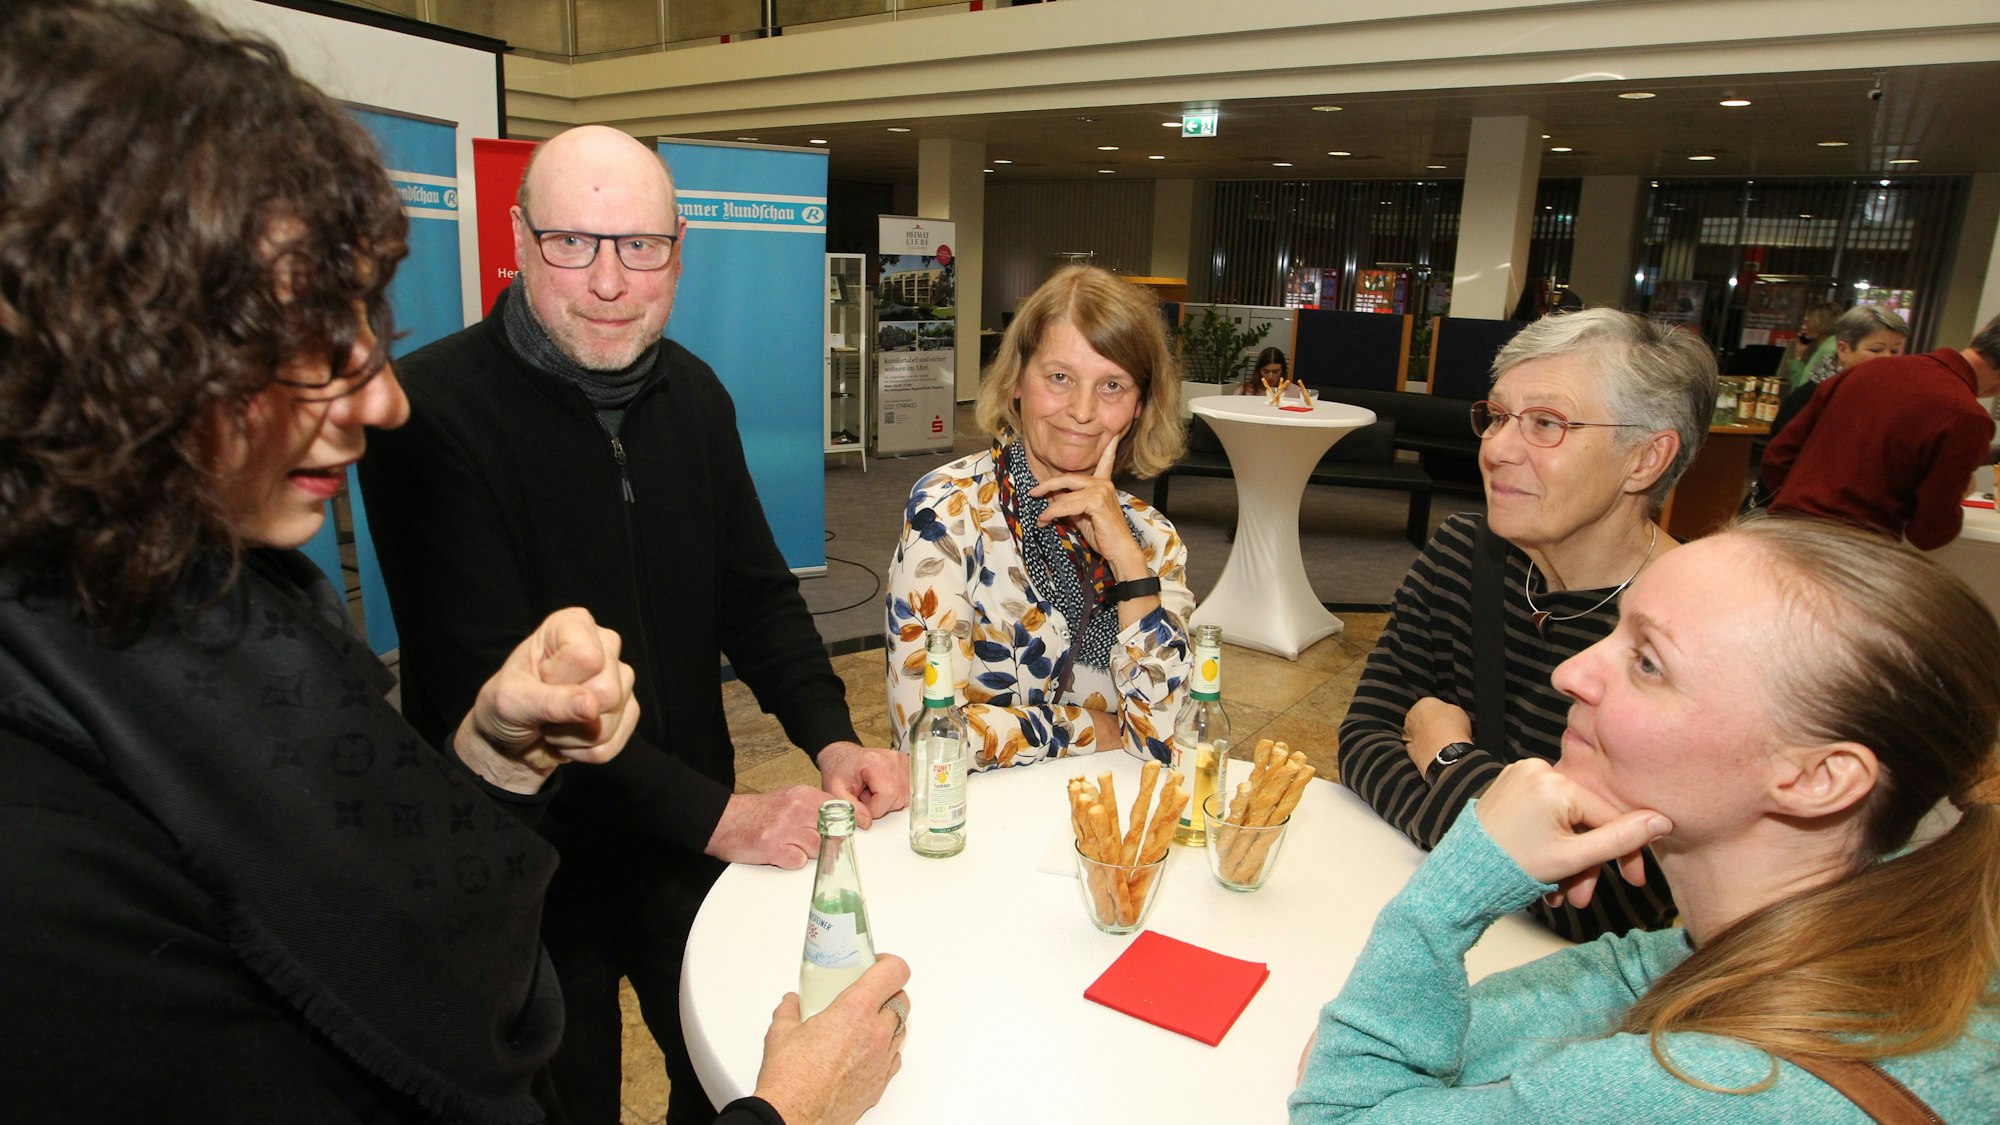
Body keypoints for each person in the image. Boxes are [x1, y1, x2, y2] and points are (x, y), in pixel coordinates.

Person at [0, 2, 639, 1119]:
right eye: (294, 340)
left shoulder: (235, 599)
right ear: (105, 345)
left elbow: (387, 915)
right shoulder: (42, 847)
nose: (382, 398)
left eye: (364, 323)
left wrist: (493, 756)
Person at [358, 126, 908, 1124]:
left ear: (679, 249)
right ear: (521, 241)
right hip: (528, 867)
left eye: (640, 246)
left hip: (681, 843)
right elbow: (501, 691)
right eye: (574, 243)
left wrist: (829, 735)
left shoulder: (693, 394)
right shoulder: (430, 414)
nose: (610, 281)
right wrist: (728, 817)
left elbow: (754, 594)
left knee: (725, 1072)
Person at [1292, 516, 2000, 1121]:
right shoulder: (1894, 911)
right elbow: (1646, 970)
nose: (1570, 672)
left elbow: (1343, 1104)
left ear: (1819, 777)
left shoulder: (1708, 1088)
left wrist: (1451, 894)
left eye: (1650, 662)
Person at [1339, 309, 1717, 941]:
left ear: (1646, 459)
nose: (1496, 448)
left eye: (1546, 424)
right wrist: (1520, 831)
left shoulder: (1692, 636)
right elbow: (1362, 741)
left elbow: (1596, 907)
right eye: (1498, 416)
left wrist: (1447, 756)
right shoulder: (1463, 554)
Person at [885, 265, 1193, 768]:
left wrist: (1128, 566)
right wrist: (1095, 727)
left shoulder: (1153, 538)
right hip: (982, 821)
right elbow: (927, 739)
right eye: (1059, 377)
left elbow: (1168, 736)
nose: (1082, 410)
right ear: (1015, 383)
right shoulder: (948, 513)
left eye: (1112, 385)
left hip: (1110, 822)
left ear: (1139, 406)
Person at [1762, 313, 1999, 549]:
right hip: (1854, 548)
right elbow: (1929, 532)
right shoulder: (1966, 416)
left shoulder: (1869, 370)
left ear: (1979, 335)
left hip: (1785, 530)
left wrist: (1797, 505)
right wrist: (1959, 494)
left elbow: (1779, 456)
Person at [1766, 303, 1910, 441]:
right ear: (1843, 350)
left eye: (1894, 351)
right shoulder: (1811, 397)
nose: (1887, 357)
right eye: (1876, 350)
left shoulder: (1890, 396)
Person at [1777, 299, 1842, 390]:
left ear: (1821, 323)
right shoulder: (1832, 345)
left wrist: (1798, 358)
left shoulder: (1827, 350)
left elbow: (1801, 387)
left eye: (1807, 322)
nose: (1803, 327)